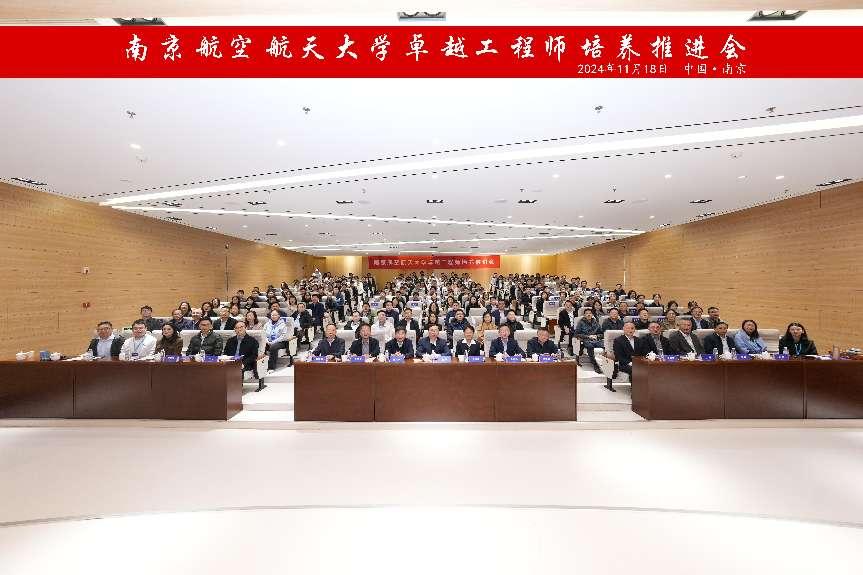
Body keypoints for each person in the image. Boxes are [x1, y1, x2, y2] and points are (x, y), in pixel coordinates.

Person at [224, 321, 263, 387]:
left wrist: (243, 363)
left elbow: (254, 356)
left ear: (245, 328)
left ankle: (237, 389)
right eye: (237, 328)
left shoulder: (252, 341)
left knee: (238, 369)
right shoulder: (230, 341)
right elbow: (226, 353)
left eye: (241, 327)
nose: (239, 329)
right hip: (231, 362)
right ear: (234, 330)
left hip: (245, 363)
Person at [610, 321, 638, 391]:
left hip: (638, 362)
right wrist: (631, 363)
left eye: (632, 328)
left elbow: (641, 353)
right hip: (624, 364)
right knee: (634, 369)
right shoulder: (618, 340)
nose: (630, 330)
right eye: (628, 328)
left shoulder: (638, 340)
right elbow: (619, 356)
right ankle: (635, 389)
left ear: (635, 330)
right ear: (624, 329)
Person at [574, 309, 603, 373]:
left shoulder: (596, 322)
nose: (588, 314)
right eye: (587, 313)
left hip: (596, 339)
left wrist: (597, 336)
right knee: (590, 346)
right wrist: (588, 336)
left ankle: (606, 363)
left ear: (592, 314)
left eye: (590, 313)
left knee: (605, 345)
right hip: (586, 340)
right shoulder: (581, 323)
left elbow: (602, 333)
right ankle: (595, 364)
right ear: (584, 315)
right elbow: (576, 334)